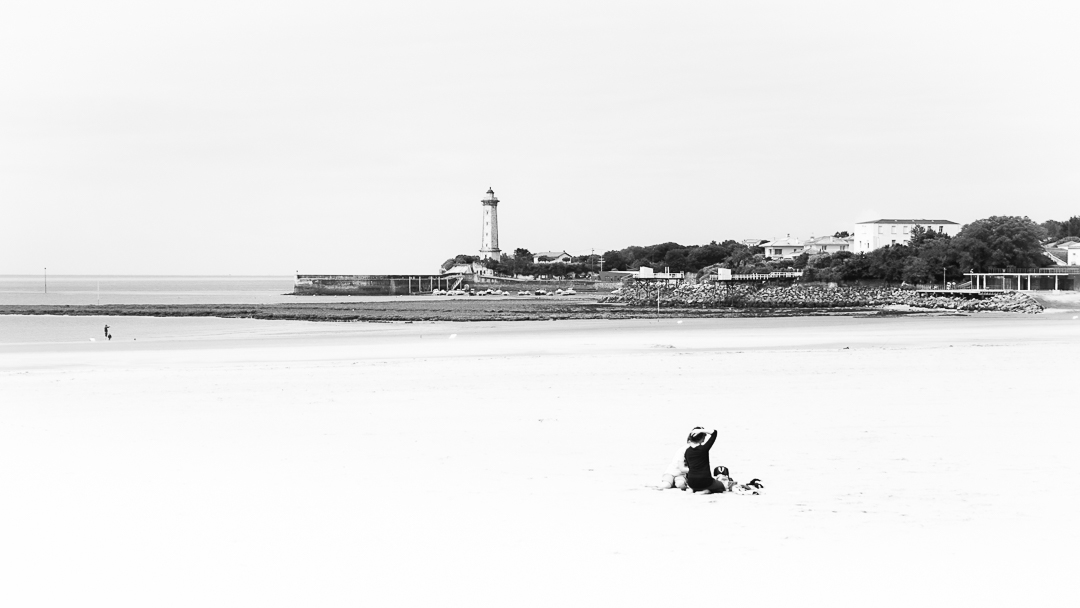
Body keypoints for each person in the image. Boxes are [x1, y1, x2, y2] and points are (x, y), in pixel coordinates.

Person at [684, 429, 728, 494]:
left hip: (691, 482)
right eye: (704, 436)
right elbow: (714, 433)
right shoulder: (704, 449)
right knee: (721, 486)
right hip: (705, 482)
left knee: (701, 484)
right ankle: (706, 491)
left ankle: (694, 490)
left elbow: (689, 467)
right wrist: (702, 430)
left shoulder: (687, 451)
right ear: (702, 438)